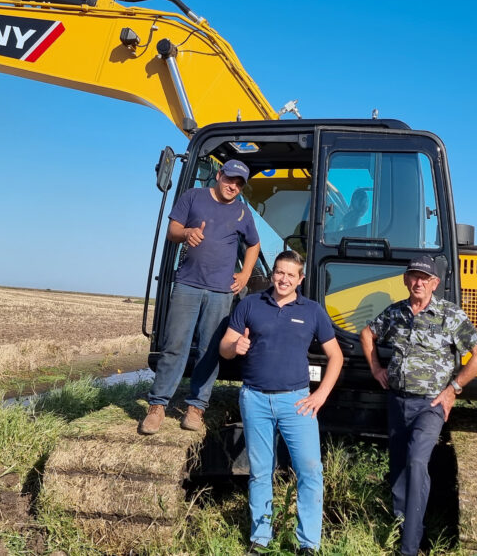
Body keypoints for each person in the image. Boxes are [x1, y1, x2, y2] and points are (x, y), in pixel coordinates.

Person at [360, 255, 477, 556]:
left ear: (435, 283)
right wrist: (376, 368)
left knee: (417, 463)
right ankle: (402, 528)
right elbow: (367, 334)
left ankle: (409, 547)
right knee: (398, 470)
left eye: (425, 278)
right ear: (406, 280)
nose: (418, 282)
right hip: (397, 400)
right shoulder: (395, 313)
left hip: (430, 404)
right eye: (413, 276)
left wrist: (453, 389)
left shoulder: (449, 314)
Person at [219, 250, 343, 555]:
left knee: (310, 470)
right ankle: (261, 538)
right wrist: (236, 346)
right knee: (261, 471)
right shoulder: (250, 304)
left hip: (297, 402)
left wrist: (320, 394)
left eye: (291, 274)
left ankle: (308, 543)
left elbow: (336, 356)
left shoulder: (312, 311)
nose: (284, 279)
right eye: (279, 272)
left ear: (300, 279)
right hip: (255, 399)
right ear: (272, 274)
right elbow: (223, 348)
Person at [140, 159, 261, 435]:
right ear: (218, 175)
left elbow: (254, 245)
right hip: (188, 285)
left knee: (210, 350)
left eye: (239, 183)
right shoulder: (193, 197)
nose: (233, 186)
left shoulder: (243, 213)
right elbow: (172, 231)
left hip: (220, 292)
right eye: (230, 179)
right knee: (175, 346)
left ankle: (196, 408)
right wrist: (187, 233)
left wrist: (245, 275)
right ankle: (157, 407)